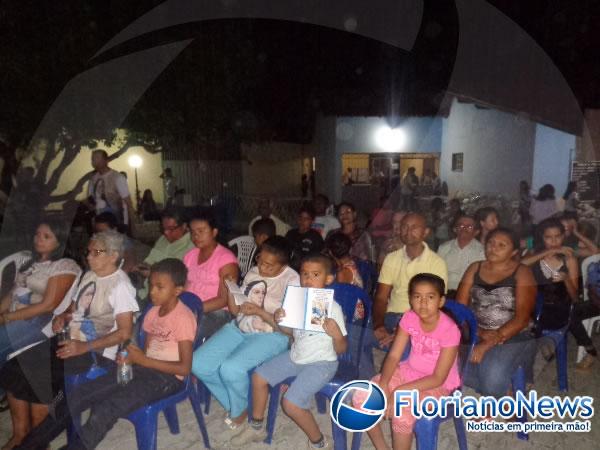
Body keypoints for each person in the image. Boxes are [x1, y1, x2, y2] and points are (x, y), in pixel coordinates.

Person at [12, 258, 196, 450]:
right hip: (144, 369)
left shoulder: (183, 318)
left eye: (160, 287)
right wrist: (130, 358)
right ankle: (27, 446)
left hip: (169, 379)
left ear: (177, 290)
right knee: (78, 396)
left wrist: (142, 360)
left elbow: (184, 368)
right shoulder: (153, 313)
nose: (152, 292)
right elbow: (147, 353)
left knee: (106, 408)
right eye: (151, 285)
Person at [0, 230, 138, 449]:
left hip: (97, 351)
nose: (89, 257)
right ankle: (21, 434)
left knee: (38, 376)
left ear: (113, 256)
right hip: (71, 339)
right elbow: (76, 307)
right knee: (14, 367)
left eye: (96, 252)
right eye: (88, 252)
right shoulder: (91, 274)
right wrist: (64, 316)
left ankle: (35, 441)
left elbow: (124, 333)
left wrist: (85, 346)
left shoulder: (121, 287)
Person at [231, 254, 347, 449]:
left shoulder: (332, 307)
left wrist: (336, 334)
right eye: (304, 274)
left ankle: (319, 442)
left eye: (315, 274)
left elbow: (342, 348)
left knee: (291, 404)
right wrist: (280, 319)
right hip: (297, 355)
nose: (308, 279)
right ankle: (257, 427)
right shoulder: (297, 302)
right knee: (258, 377)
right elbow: (289, 333)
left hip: (322, 362)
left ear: (328, 279)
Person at [192, 237, 299, 434]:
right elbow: (235, 311)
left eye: (269, 265)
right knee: (198, 363)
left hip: (273, 335)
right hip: (238, 327)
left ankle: (238, 408)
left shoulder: (293, 282)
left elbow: (289, 330)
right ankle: (238, 406)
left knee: (231, 368)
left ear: (284, 265)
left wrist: (260, 312)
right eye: (260, 260)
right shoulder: (253, 271)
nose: (262, 268)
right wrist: (231, 289)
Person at [353, 274, 460, 450]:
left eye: (430, 297)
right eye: (417, 297)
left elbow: (439, 378)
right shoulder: (409, 317)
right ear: (410, 299)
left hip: (436, 385)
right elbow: (394, 356)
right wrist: (385, 384)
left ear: (441, 301)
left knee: (401, 411)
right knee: (362, 397)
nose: (423, 303)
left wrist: (398, 392)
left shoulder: (450, 330)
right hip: (408, 371)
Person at [456, 227, 537, 398]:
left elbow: (522, 318)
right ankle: (503, 388)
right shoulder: (475, 268)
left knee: (491, 380)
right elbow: (460, 309)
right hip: (477, 331)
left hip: (514, 334)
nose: (493, 248)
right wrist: (479, 333)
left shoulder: (522, 272)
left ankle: (499, 388)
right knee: (449, 368)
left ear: (514, 251)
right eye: (491, 243)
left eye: (502, 245)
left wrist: (489, 342)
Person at [0, 220, 81, 365]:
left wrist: (5, 318)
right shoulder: (31, 261)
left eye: (46, 236)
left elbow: (47, 306)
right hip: (16, 314)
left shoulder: (65, 265)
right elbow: (13, 293)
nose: (39, 239)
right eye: (37, 234)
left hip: (39, 320)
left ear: (59, 241)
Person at [373, 213, 448, 348]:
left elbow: (435, 305)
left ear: (425, 232)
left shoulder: (436, 263)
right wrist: (379, 325)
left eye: (414, 228)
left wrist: (405, 330)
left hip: (420, 320)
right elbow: (381, 297)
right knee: (355, 339)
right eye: (404, 227)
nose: (408, 232)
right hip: (391, 317)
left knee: (403, 350)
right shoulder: (391, 258)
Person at [522, 219, 578, 358]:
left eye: (557, 236)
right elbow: (520, 265)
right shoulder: (535, 254)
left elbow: (575, 297)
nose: (554, 241)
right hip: (535, 305)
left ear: (563, 236)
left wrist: (566, 280)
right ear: (542, 238)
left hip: (560, 306)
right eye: (548, 237)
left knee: (558, 312)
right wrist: (547, 251)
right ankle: (541, 341)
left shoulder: (569, 259)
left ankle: (541, 341)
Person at [183, 211, 239, 341]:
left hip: (217, 312)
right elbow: (185, 286)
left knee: (186, 331)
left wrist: (195, 308)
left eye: (201, 231)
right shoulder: (190, 255)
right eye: (192, 232)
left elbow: (223, 299)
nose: (196, 236)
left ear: (214, 232)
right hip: (191, 308)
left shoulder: (226, 259)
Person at [133, 208, 195, 300]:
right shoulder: (162, 240)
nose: (166, 232)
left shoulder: (192, 246)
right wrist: (141, 267)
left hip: (167, 299)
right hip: (146, 291)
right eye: (164, 228)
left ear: (184, 226)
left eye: (171, 229)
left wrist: (152, 274)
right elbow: (149, 261)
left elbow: (184, 281)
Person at [437, 214, 485, 296]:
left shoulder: (482, 251)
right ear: (455, 229)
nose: (464, 229)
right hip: (446, 294)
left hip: (470, 296)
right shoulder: (444, 248)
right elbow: (437, 274)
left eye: (469, 227)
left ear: (476, 232)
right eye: (461, 225)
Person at [85, 150, 134, 227]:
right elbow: (90, 199)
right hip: (99, 223)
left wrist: (133, 225)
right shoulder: (93, 179)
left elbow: (128, 202)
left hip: (117, 222)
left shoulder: (117, 177)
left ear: (106, 160)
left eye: (97, 157)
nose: (94, 161)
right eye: (92, 158)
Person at [571, 259, 600, 372]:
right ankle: (590, 350)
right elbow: (591, 292)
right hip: (597, 303)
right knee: (572, 314)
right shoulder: (594, 267)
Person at [285, 205, 324, 270]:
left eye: (306, 219)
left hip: (307, 268)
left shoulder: (316, 236)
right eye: (300, 217)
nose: (302, 221)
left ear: (312, 221)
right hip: (290, 268)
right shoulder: (290, 233)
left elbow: (318, 257)